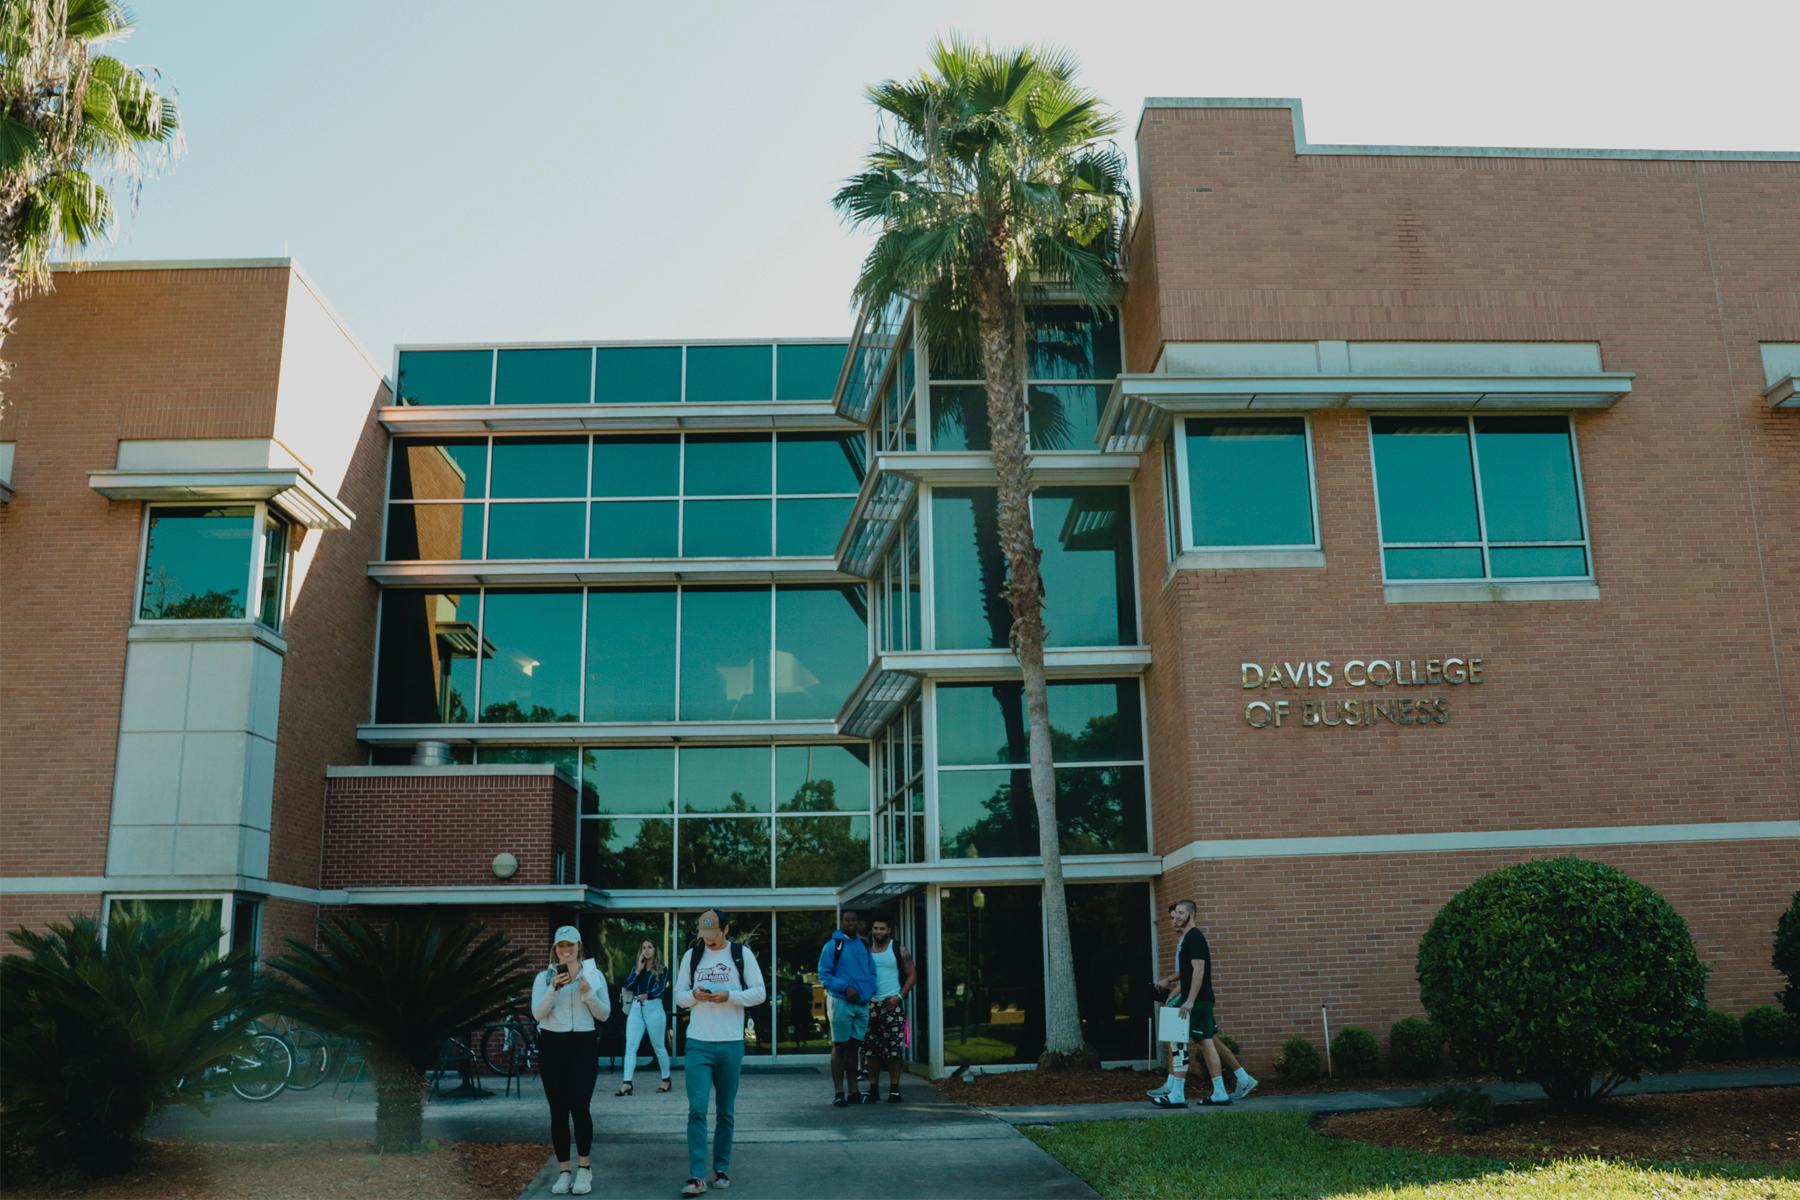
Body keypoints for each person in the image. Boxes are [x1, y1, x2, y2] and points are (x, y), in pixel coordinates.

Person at [674, 908, 766, 1196]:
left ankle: (722, 1168)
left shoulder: (742, 954)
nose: (709, 940)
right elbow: (678, 996)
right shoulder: (693, 956)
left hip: (730, 1043)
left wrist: (730, 996)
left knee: (725, 1111)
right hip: (698, 1043)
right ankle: (696, 1176)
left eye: (714, 934)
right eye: (705, 934)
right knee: (697, 1109)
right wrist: (694, 996)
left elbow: (760, 992)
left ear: (726, 930)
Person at [1150, 899, 1254, 1108]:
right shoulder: (1189, 938)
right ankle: (1220, 1092)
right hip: (1198, 1000)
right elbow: (1188, 974)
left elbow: (1199, 971)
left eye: (1181, 913)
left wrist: (1188, 1001)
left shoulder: (1194, 938)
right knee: (1206, 1043)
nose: (1177, 917)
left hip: (1195, 1002)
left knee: (1178, 1042)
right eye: (1175, 914)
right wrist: (1178, 993)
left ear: (1191, 914)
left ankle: (1177, 1094)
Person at [531, 925, 610, 1196]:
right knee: (558, 1110)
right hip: (553, 1044)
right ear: (555, 949)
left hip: (583, 1044)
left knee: (580, 1105)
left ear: (579, 946)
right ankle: (564, 1171)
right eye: (561, 946)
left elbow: (604, 1015)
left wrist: (588, 993)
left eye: (571, 945)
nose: (566, 951)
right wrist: (553, 989)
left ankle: (585, 1169)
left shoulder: (593, 975)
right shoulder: (544, 978)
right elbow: (537, 1013)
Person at [817, 906, 877, 1107]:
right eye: (847, 920)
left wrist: (868, 993)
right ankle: (839, 1092)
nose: (851, 923)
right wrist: (845, 988)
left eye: (854, 920)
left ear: (859, 923)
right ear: (842, 922)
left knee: (854, 1047)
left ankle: (854, 1091)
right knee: (839, 1046)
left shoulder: (864, 945)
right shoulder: (833, 946)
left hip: (862, 1004)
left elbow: (871, 972)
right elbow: (824, 974)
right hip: (841, 1002)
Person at [862, 913, 916, 1103]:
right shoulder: (866, 949)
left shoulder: (898, 949)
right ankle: (873, 1089)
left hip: (892, 1004)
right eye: (876, 928)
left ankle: (894, 1089)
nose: (878, 932)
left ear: (889, 930)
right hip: (870, 1005)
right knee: (871, 1050)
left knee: (894, 1049)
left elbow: (912, 974)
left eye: (882, 928)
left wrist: (899, 996)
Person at [615, 938, 672, 1095]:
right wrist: (638, 970)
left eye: (650, 947)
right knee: (631, 1046)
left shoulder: (662, 969)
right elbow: (628, 986)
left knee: (658, 1046)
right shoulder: (637, 968)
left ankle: (666, 1079)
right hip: (635, 1008)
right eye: (644, 948)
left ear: (655, 950)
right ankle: (627, 1082)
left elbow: (660, 989)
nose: (646, 950)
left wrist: (647, 995)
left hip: (653, 1008)